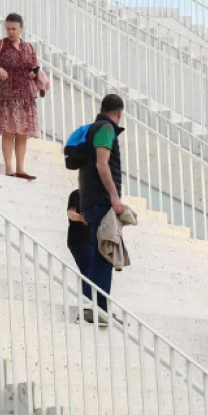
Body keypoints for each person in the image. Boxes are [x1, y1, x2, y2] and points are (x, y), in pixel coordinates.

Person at [78, 94, 125, 325]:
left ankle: (95, 307)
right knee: (104, 254)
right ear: (119, 112)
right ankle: (97, 308)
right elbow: (101, 163)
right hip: (101, 202)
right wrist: (114, 197)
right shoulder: (106, 129)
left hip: (91, 200)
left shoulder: (92, 129)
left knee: (99, 253)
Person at [0, 13, 41, 180]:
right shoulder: (0, 45)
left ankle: (20, 168)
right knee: (8, 131)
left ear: (21, 29)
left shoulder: (29, 47)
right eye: (8, 29)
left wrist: (33, 73)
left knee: (22, 132)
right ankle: (8, 167)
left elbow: (34, 66)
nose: (11, 32)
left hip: (25, 95)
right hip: (5, 95)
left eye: (14, 29)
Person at [67, 188, 91, 297]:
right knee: (88, 272)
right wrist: (81, 218)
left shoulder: (100, 196)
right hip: (79, 240)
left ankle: (93, 306)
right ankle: (89, 306)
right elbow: (70, 213)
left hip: (94, 241)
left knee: (92, 273)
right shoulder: (77, 194)